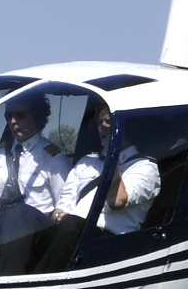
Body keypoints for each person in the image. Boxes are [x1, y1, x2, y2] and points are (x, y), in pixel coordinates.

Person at [35, 103, 160, 273]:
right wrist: (59, 215)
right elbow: (63, 204)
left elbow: (117, 200)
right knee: (22, 215)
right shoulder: (87, 161)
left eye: (108, 121)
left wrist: (112, 154)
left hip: (108, 243)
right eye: (100, 122)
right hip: (70, 231)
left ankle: (43, 283)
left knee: (73, 223)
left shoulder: (145, 168)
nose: (102, 126)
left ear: (126, 127)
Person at [0, 94, 72, 275]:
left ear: (36, 116)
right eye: (8, 116)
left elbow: (64, 206)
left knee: (18, 213)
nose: (13, 121)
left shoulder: (52, 159)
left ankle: (4, 283)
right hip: (0, 226)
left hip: (36, 233)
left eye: (20, 115)